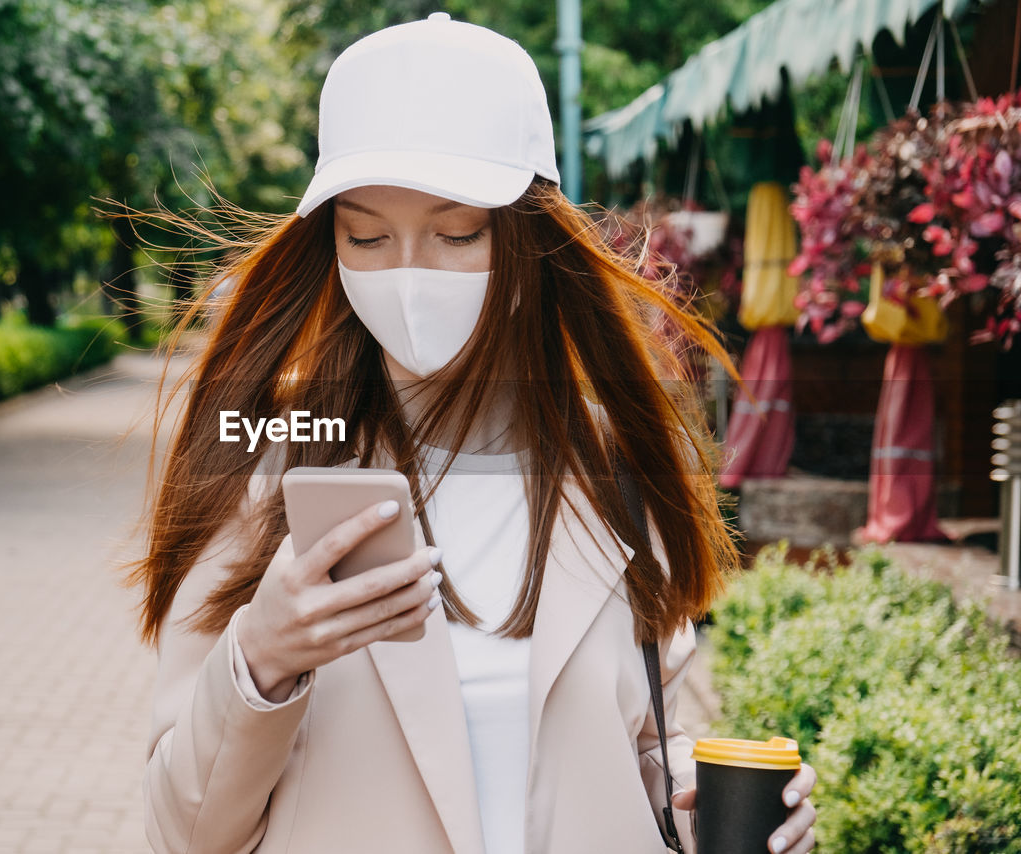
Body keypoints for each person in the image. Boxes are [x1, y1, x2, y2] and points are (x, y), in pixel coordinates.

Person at [130, 13, 817, 854]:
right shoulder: (267, 458)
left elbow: (647, 735)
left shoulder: (612, 464)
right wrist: (261, 659)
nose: (408, 273)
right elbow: (182, 830)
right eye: (366, 234)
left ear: (530, 240)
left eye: (457, 234)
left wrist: (693, 798)